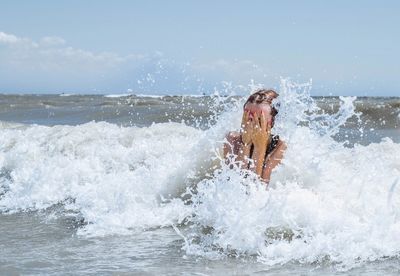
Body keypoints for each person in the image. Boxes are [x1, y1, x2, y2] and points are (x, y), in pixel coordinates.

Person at [223, 89, 286, 183]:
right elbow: (235, 185)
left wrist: (259, 147)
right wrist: (245, 144)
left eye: (259, 119)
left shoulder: (280, 146)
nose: (252, 124)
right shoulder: (232, 140)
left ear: (272, 122)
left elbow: (257, 189)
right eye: (248, 117)